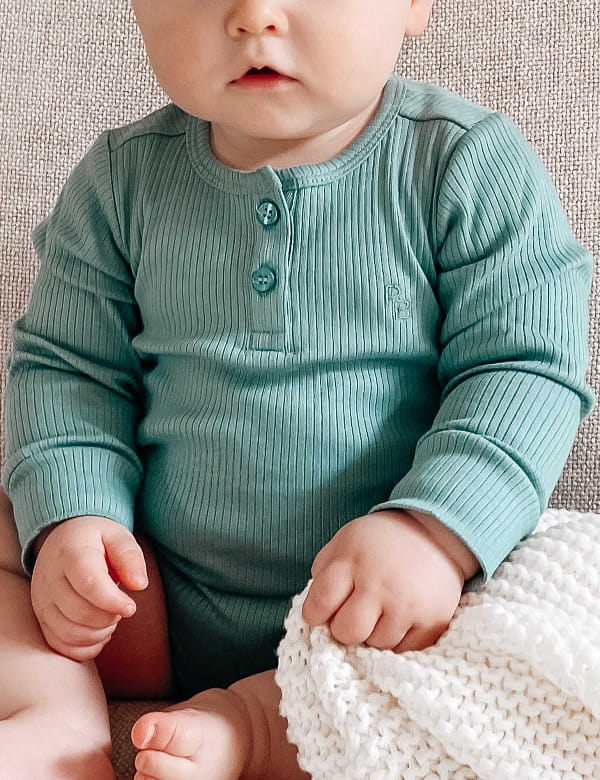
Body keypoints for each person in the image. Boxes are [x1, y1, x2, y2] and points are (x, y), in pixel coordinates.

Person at [0, 0, 594, 777]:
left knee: (555, 607)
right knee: (20, 524)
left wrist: (435, 533)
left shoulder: (464, 164)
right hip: (151, 598)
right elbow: (68, 372)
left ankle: (263, 728)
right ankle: (52, 716)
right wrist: (75, 521)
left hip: (390, 612)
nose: (252, 16)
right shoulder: (120, 182)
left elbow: (524, 370)